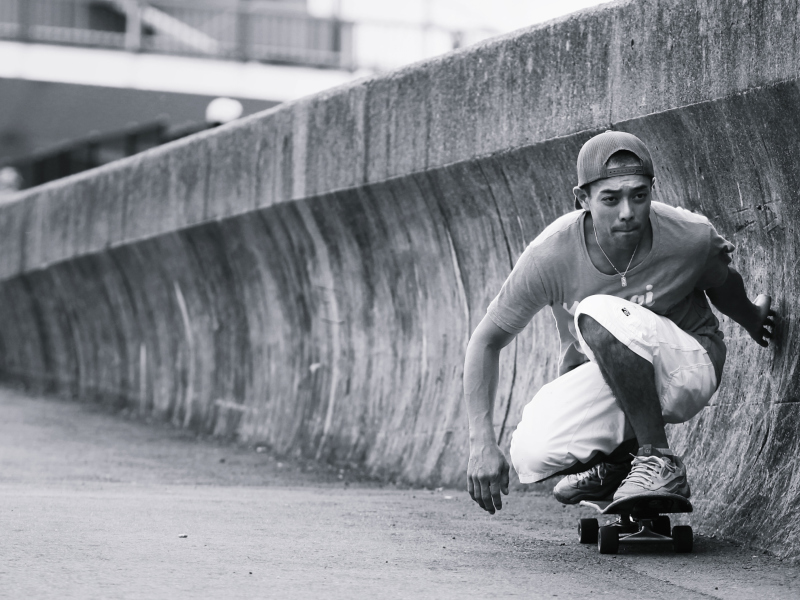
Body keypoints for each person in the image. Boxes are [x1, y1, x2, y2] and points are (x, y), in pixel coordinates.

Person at [463, 130, 775, 514]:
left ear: (651, 191)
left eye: (639, 195)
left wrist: (752, 318)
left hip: (690, 363)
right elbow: (486, 341)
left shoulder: (688, 235)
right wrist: (481, 442)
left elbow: (723, 284)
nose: (627, 212)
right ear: (583, 199)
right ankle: (619, 465)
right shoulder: (552, 255)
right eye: (610, 199)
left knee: (597, 309)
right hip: (619, 377)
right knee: (531, 453)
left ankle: (657, 459)